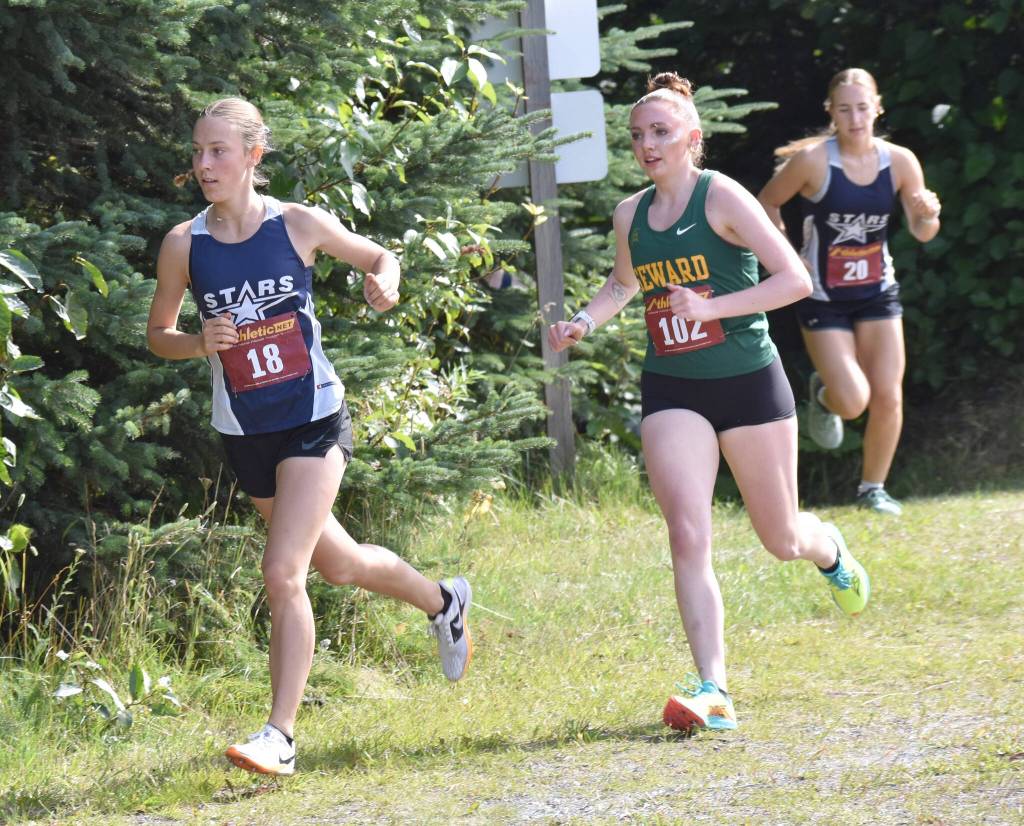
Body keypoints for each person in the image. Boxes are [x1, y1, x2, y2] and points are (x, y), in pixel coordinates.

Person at [147, 98, 472, 776]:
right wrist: (196, 343)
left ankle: (280, 736)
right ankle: (445, 601)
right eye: (198, 152)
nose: (204, 165)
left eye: (219, 151)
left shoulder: (296, 223)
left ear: (252, 156)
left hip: (314, 418)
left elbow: (380, 256)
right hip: (245, 429)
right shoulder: (185, 244)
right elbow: (158, 335)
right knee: (340, 564)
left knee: (281, 572)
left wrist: (384, 282)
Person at [548, 73, 870, 734]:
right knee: (687, 532)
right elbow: (624, 282)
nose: (646, 144)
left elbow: (794, 278)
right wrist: (584, 320)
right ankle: (714, 687)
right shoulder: (631, 215)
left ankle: (827, 548)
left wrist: (715, 306)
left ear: (692, 139)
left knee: (780, 537)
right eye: (637, 136)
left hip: (749, 383)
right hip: (674, 386)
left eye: (660, 132)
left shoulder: (721, 196)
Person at [757, 68, 941, 516]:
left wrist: (928, 213)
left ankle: (872, 490)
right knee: (853, 400)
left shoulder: (899, 162)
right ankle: (824, 395)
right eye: (845, 109)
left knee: (888, 395)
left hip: (878, 291)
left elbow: (922, 232)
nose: (855, 118)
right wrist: (785, 255)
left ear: (877, 108)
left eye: (863, 107)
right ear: (831, 113)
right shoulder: (814, 161)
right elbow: (767, 202)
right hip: (824, 296)